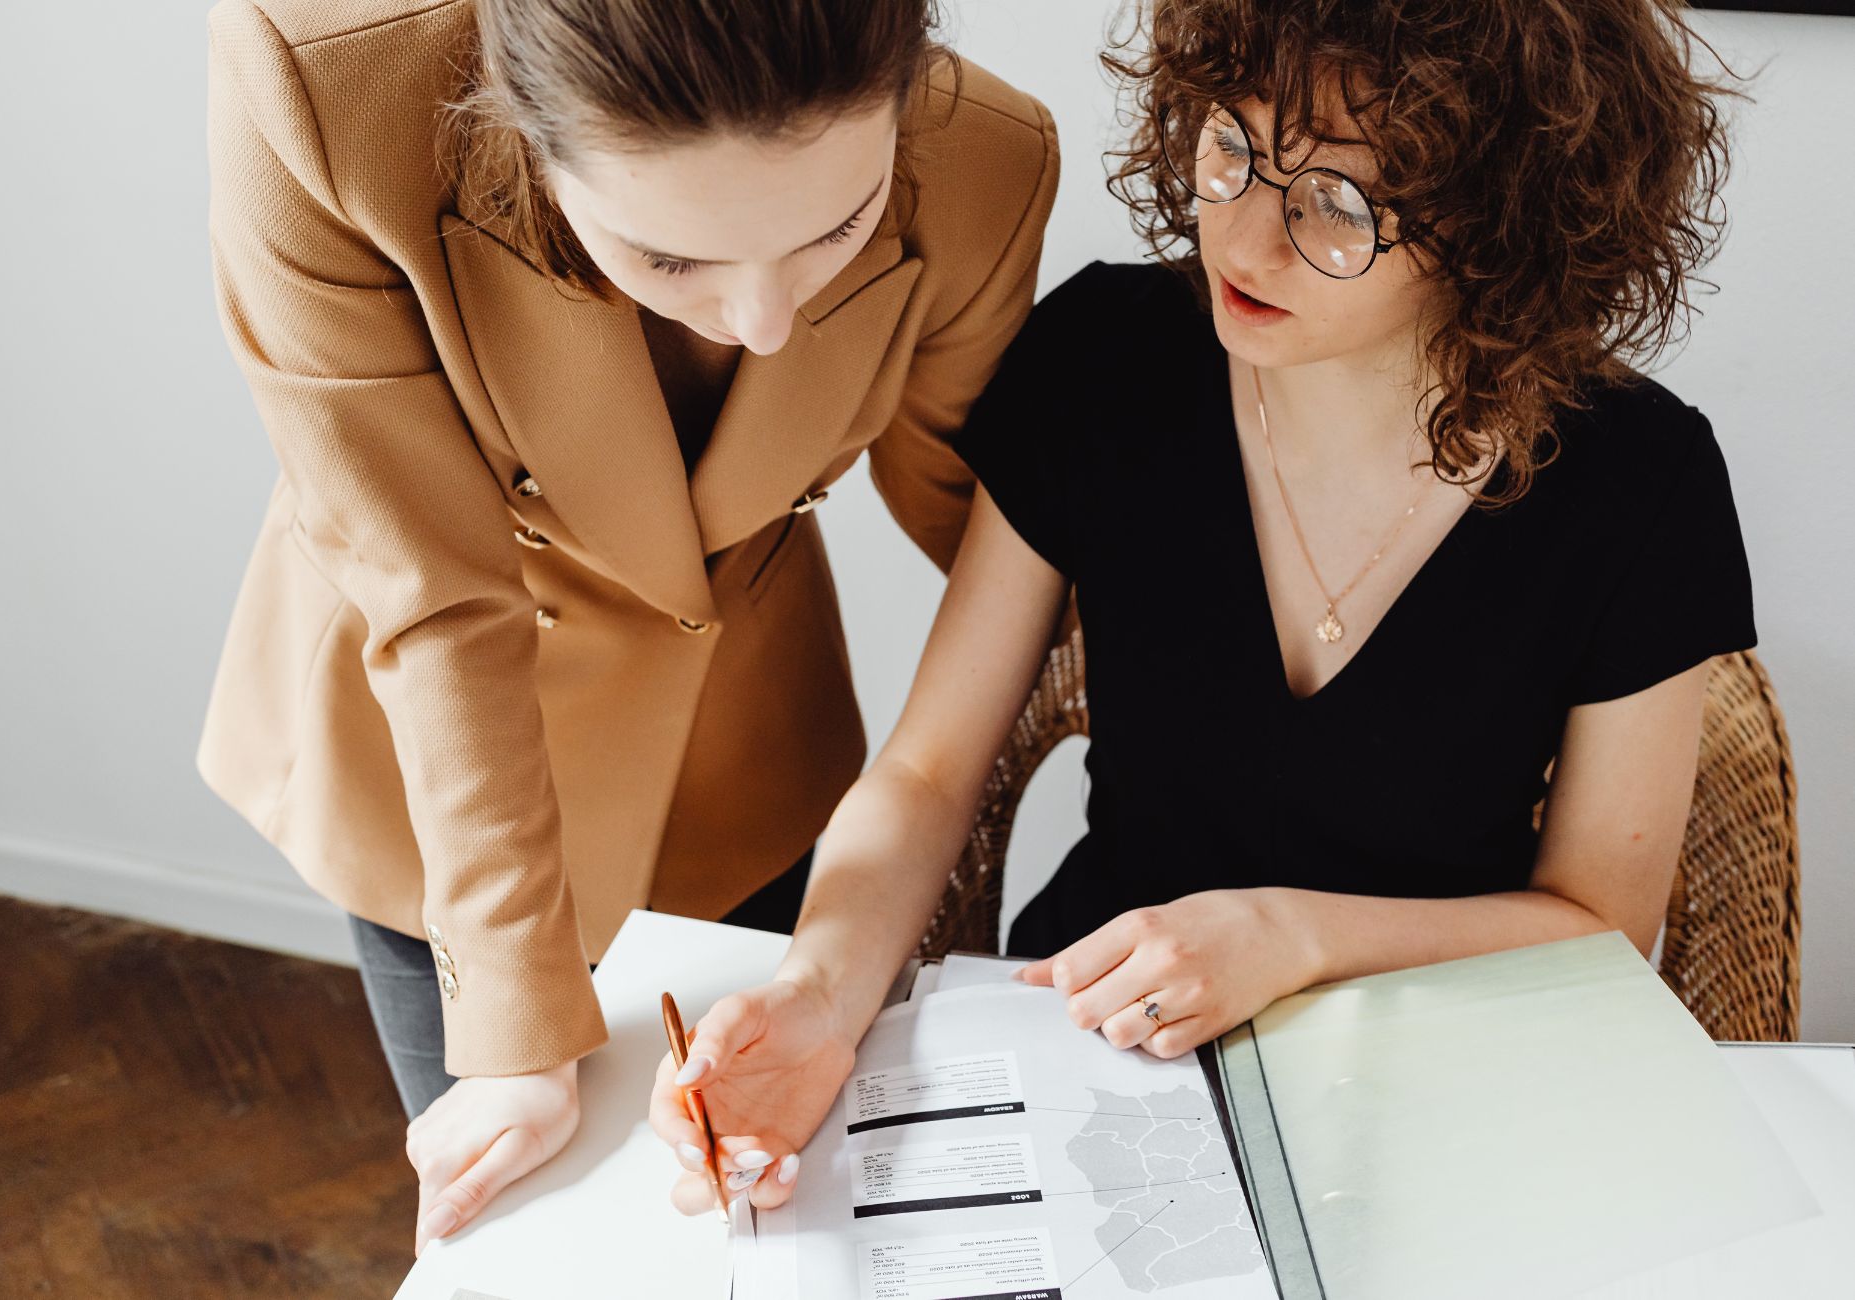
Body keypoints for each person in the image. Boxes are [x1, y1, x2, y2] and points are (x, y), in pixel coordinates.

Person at [648, 0, 1751, 1214]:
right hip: (1089, 1036)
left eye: (1336, 207)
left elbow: (1596, 922)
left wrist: (1289, 935)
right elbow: (925, 773)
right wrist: (813, 993)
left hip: (1434, 1067)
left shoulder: (1636, 479)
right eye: (1231, 146)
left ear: (1500, 231)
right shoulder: (1107, 355)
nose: (1243, 239)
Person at [197, 0, 1059, 1253]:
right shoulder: (326, 95)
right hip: (435, 768)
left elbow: (979, 524)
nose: (762, 320)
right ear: (523, 134)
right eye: (669, 261)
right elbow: (431, 588)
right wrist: (511, 1027)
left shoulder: (985, 162)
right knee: (531, 1239)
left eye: (834, 228)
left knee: (760, 1223)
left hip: (743, 744)